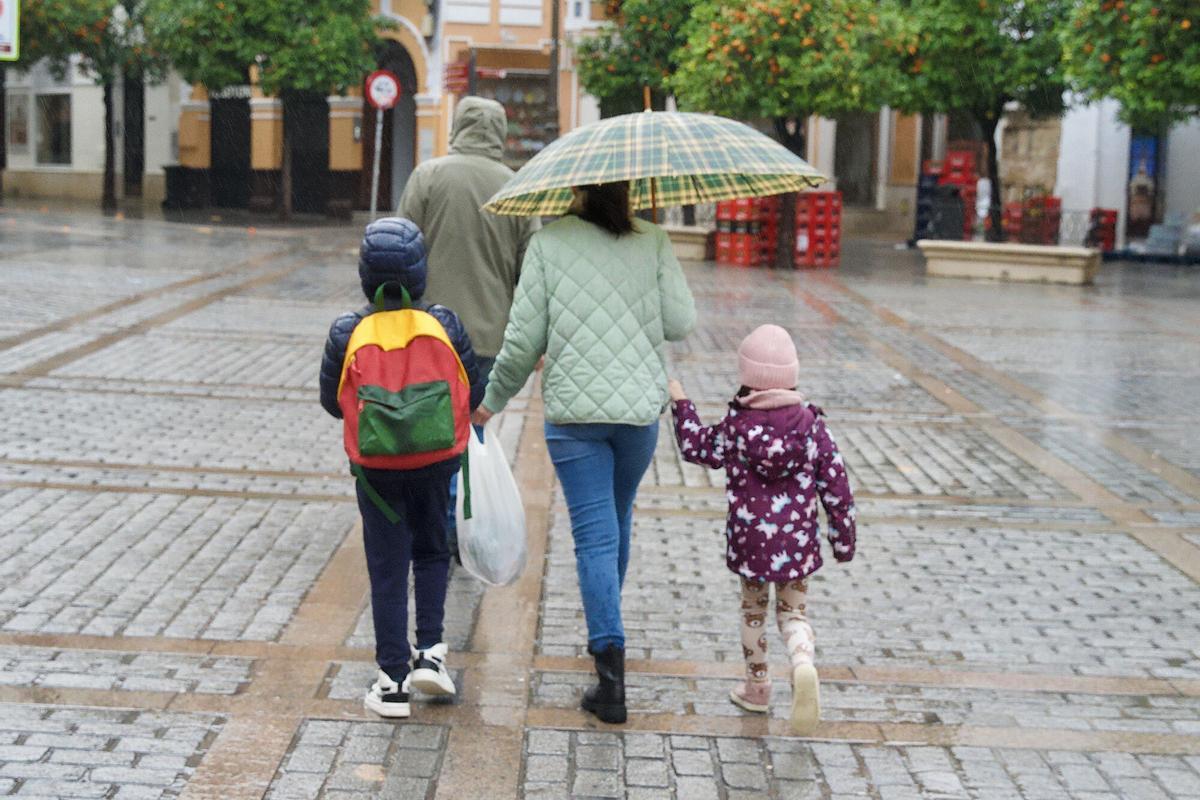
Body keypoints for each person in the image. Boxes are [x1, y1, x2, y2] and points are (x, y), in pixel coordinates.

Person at [472, 182, 696, 724]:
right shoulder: (653, 239)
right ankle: (607, 635)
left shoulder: (551, 245)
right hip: (638, 415)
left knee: (596, 534)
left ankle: (610, 669)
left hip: (575, 417)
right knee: (616, 523)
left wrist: (490, 402)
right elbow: (680, 322)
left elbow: (523, 341)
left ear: (574, 186)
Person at [319, 217, 484, 719]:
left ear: (366, 275)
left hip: (377, 470)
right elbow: (471, 391)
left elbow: (332, 402)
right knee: (433, 552)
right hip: (436, 461)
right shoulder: (445, 323)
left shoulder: (349, 330)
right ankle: (431, 655)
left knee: (387, 567)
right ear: (420, 273)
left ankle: (391, 682)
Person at [667, 324, 856, 735]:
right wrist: (843, 541)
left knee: (753, 613)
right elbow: (837, 487)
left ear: (747, 378)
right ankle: (802, 660)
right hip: (798, 544)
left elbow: (696, 446)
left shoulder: (736, 428)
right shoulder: (812, 427)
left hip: (751, 544)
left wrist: (681, 402)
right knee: (793, 612)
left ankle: (758, 688)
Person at [397, 96, 540, 558]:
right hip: (487, 337)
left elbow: (400, 249)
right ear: (499, 131)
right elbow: (529, 273)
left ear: (458, 126)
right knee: (470, 431)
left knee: (427, 428)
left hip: (426, 333)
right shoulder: (516, 187)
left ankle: (429, 523)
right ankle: (459, 525)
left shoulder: (428, 176)